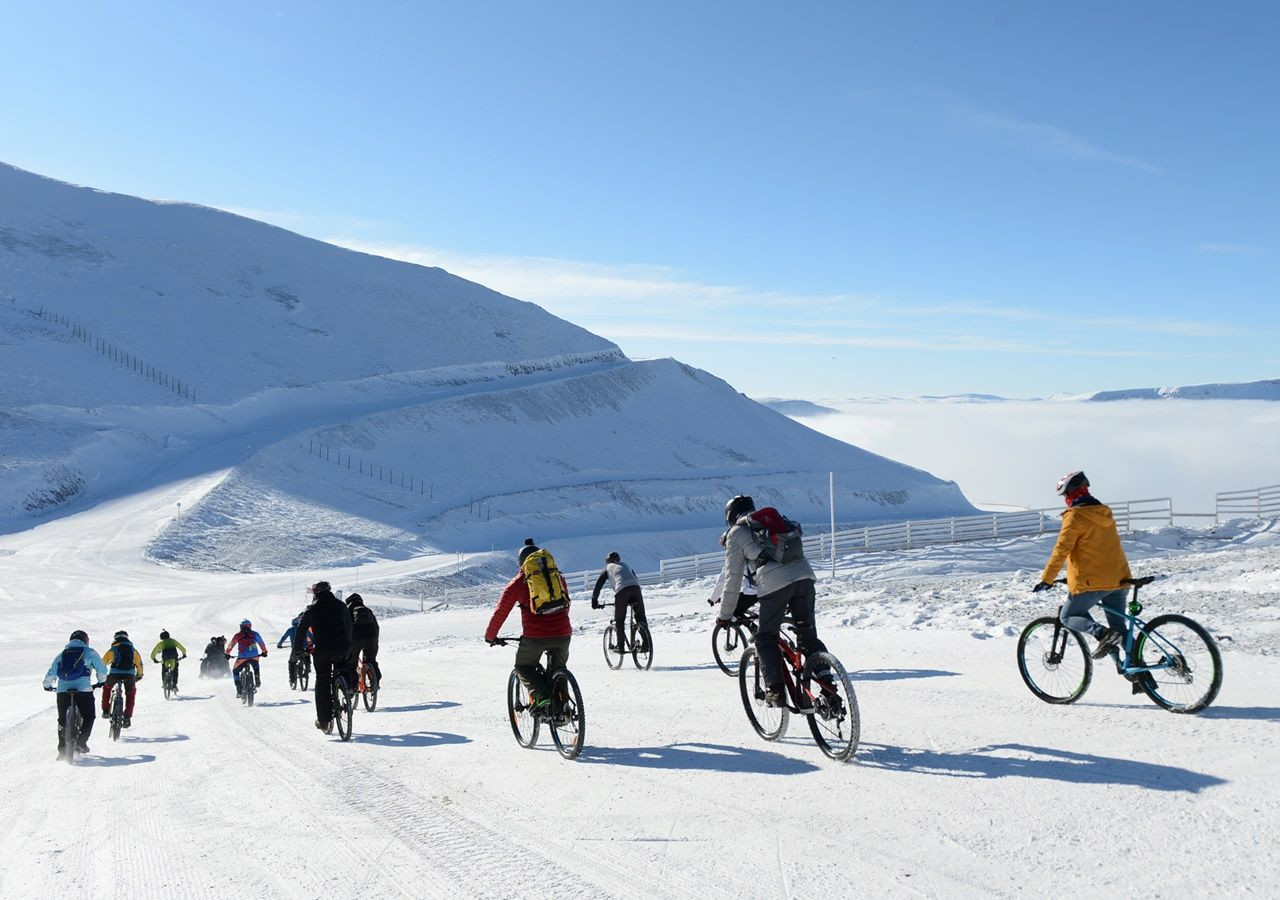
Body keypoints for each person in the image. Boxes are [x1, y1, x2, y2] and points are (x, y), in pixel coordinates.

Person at [717, 495, 827, 708]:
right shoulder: (772, 524)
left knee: (765, 638)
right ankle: (828, 683)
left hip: (775, 584)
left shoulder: (736, 533)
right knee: (808, 637)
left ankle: (775, 691)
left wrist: (725, 615)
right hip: (805, 577)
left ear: (730, 517)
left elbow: (733, 579)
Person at [1034, 470, 1133, 661]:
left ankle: (1102, 634)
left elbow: (1061, 551)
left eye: (1065, 495)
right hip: (1120, 579)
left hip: (1092, 583)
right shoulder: (1105, 513)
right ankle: (1141, 675)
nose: (1065, 499)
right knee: (1120, 628)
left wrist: (1047, 579)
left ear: (1071, 494)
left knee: (1067, 616)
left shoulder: (1075, 517)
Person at [484, 539, 572, 713]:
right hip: (563, 634)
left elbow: (501, 611)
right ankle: (564, 710)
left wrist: (490, 636)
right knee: (558, 669)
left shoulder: (518, 583)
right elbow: (567, 603)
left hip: (535, 637)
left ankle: (541, 697)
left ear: (521, 562)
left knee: (523, 667)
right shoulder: (557, 577)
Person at [297, 580, 353, 733]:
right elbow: (349, 627)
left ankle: (323, 722)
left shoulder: (312, 608)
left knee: (322, 681)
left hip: (323, 650)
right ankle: (348, 687)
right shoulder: (341, 605)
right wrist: (348, 645)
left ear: (315, 593)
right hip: (342, 647)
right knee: (343, 665)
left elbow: (301, 631)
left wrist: (297, 651)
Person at [42, 630, 109, 756]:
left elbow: (52, 671)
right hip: (83, 690)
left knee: (62, 720)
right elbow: (101, 670)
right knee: (89, 716)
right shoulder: (89, 652)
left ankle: (62, 751)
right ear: (85, 640)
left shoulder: (61, 654)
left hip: (62, 691)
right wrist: (101, 682)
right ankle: (81, 743)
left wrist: (47, 686)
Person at [591, 551, 649, 651]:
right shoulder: (626, 565)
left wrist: (594, 601)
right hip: (636, 588)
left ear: (608, 561)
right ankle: (646, 644)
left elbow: (598, 585)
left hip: (622, 590)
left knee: (620, 620)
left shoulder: (608, 567)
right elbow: (635, 578)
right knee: (640, 617)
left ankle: (620, 647)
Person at [101, 630, 144, 727]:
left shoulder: (114, 648)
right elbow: (139, 664)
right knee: (130, 694)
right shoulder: (133, 649)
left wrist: (102, 674)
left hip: (114, 674)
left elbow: (103, 662)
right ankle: (127, 717)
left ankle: (106, 710)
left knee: (107, 688)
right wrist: (139, 675)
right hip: (129, 674)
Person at [346, 593, 382, 685]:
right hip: (371, 638)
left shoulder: (348, 611)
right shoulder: (368, 611)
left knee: (352, 663)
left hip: (356, 640)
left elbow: (345, 628)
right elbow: (376, 627)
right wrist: (375, 641)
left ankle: (353, 686)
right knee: (371, 660)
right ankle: (375, 680)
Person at [225, 620, 268, 697]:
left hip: (242, 657)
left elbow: (230, 646)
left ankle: (239, 689)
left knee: (235, 670)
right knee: (256, 665)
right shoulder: (255, 634)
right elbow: (261, 643)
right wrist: (264, 652)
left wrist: (227, 654)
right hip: (254, 656)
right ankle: (257, 677)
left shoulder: (237, 635)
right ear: (250, 626)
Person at [276, 614, 309, 689]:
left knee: (291, 662)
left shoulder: (291, 629)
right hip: (305, 648)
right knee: (307, 655)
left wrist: (279, 645)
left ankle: (292, 679)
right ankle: (308, 667)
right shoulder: (304, 628)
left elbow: (284, 637)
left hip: (295, 649)